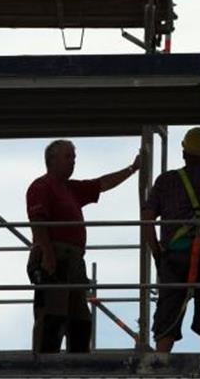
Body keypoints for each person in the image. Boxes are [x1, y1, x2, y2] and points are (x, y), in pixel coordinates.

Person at [25, 139, 140, 353]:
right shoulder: (42, 186)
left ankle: (77, 363)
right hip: (56, 256)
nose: (73, 162)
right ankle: (43, 366)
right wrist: (48, 254)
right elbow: (38, 222)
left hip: (73, 260)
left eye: (74, 157)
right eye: (68, 157)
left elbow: (101, 184)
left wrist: (132, 169)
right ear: (52, 160)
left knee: (80, 319)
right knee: (52, 315)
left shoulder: (70, 188)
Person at [141, 127, 200, 353]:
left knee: (168, 312)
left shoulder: (166, 181)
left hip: (174, 256)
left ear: (184, 153)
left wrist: (157, 252)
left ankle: (161, 364)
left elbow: (146, 219)